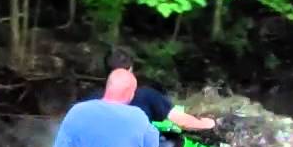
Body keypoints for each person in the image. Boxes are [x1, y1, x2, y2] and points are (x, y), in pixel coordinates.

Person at [83, 47, 217, 131]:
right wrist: (209, 124)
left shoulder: (89, 100)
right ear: (130, 69)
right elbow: (182, 121)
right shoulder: (146, 95)